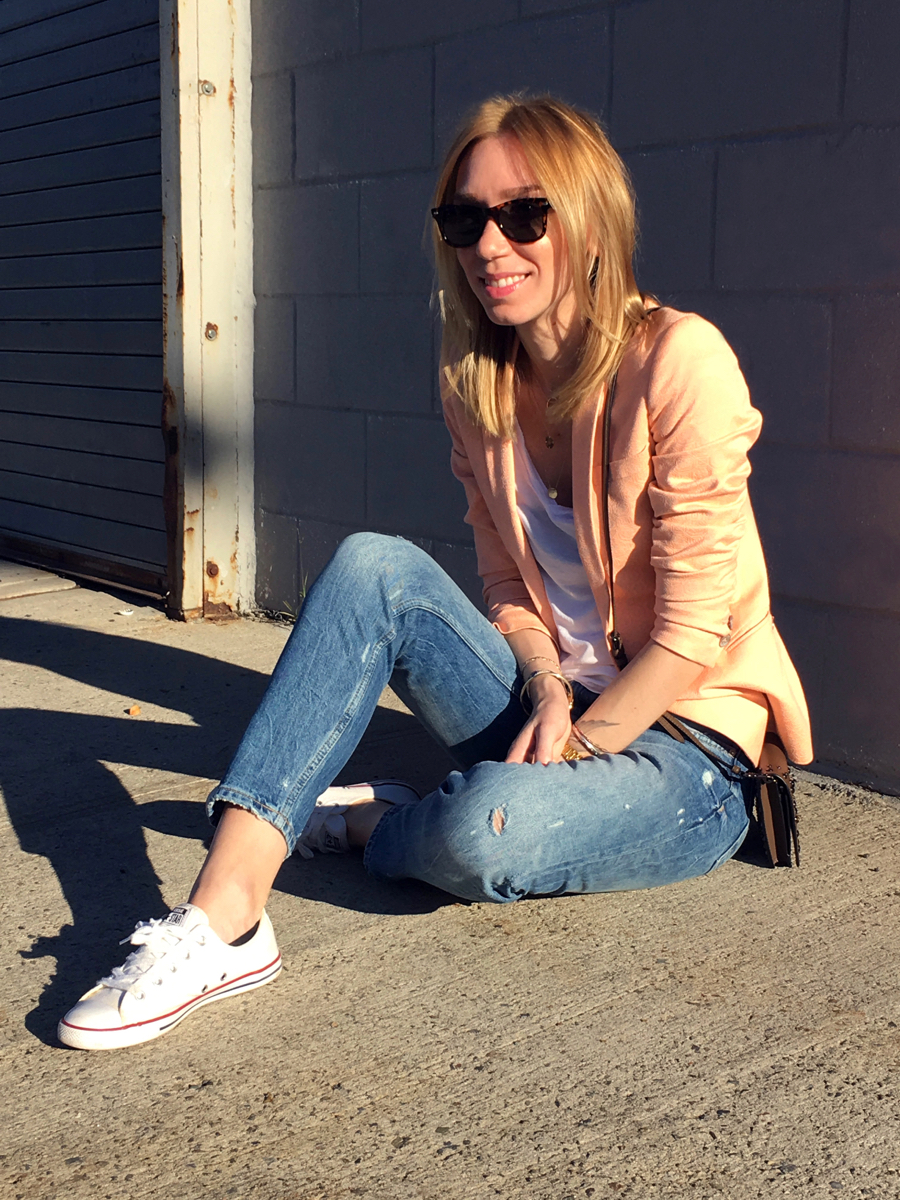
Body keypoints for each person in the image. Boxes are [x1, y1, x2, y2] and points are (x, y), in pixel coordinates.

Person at [59, 94, 812, 1051]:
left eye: (524, 213)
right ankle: (225, 917)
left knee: (477, 832)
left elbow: (694, 633)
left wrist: (577, 741)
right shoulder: (479, 382)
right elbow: (504, 584)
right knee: (374, 565)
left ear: (589, 223)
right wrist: (544, 685)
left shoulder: (678, 362)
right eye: (466, 220)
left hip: (686, 749)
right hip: (555, 702)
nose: (491, 245)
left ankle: (384, 827)